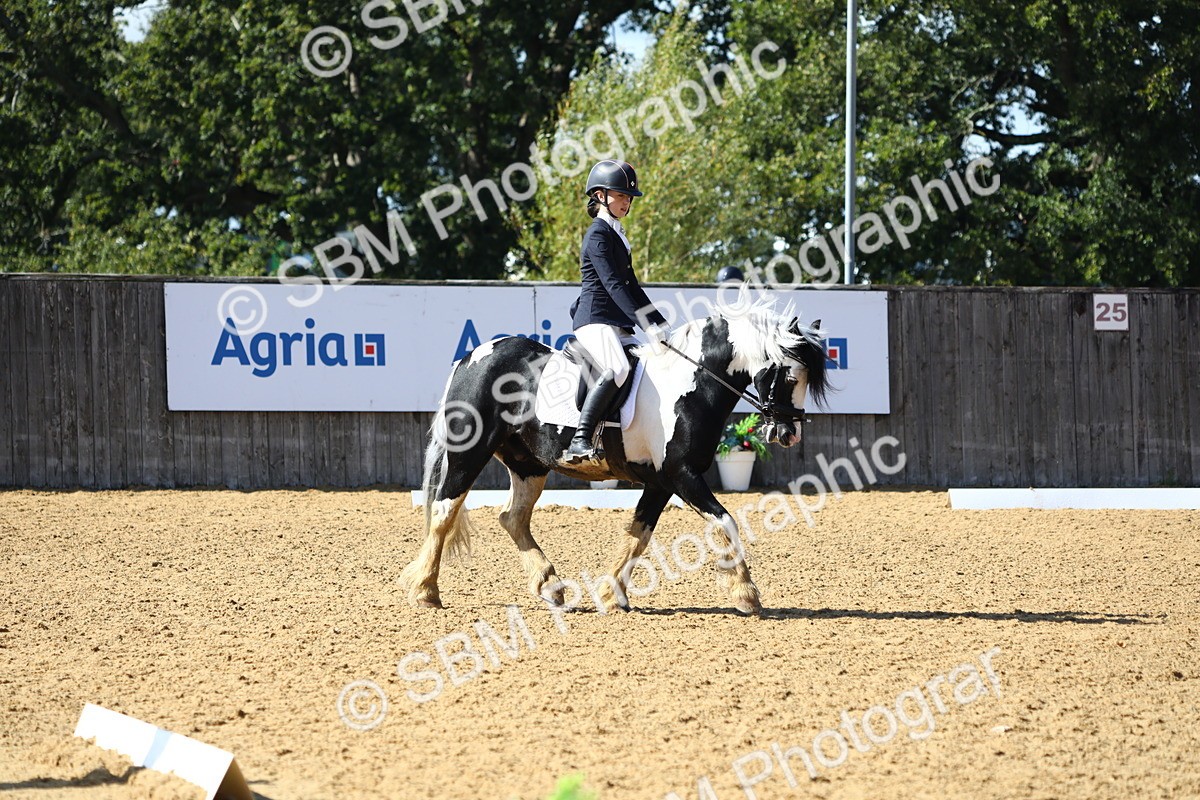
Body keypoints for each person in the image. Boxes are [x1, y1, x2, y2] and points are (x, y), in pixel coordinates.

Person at [563, 160, 670, 464]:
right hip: (595, 319)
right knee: (619, 369)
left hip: (615, 324)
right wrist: (645, 325)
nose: (626, 202)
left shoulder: (617, 235)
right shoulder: (598, 234)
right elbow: (612, 285)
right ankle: (581, 439)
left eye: (628, 197)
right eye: (621, 195)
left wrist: (661, 323)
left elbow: (632, 286)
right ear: (599, 195)